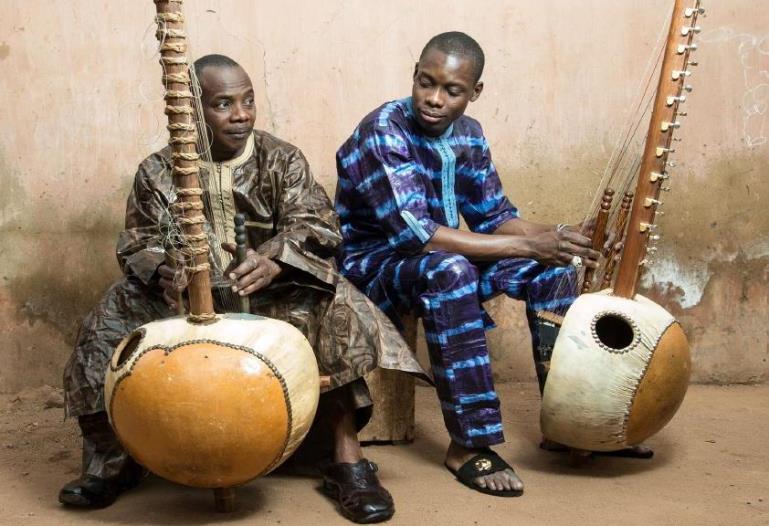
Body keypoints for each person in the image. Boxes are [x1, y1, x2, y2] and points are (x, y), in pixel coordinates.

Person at [59, 54, 421, 524]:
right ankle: (112, 462)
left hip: (269, 297)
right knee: (112, 312)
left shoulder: (281, 159)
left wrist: (275, 257)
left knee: (337, 302)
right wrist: (164, 270)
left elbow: (317, 224)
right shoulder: (158, 171)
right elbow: (137, 242)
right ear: (192, 112)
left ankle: (346, 461)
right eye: (223, 104)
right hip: (183, 305)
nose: (241, 114)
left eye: (248, 100)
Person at [335, 32, 650, 498]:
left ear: (474, 92)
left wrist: (558, 238)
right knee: (451, 271)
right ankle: (468, 444)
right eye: (426, 82)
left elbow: (495, 216)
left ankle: (567, 425)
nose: (434, 99)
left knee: (555, 270)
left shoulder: (469, 134)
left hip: (444, 255)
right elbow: (417, 237)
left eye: (452, 90)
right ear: (415, 73)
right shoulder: (384, 129)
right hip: (376, 266)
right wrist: (527, 247)